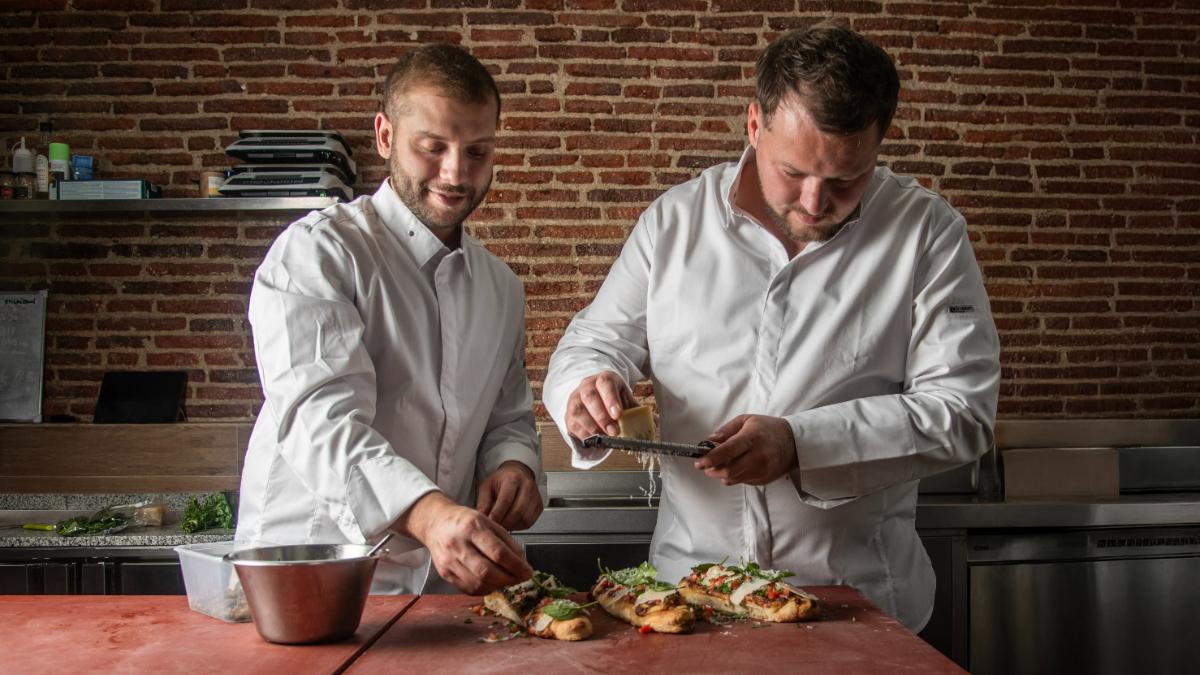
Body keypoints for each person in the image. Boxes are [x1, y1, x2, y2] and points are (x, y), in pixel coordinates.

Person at [542, 22, 1000, 631]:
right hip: (687, 600)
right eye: (793, 172)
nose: (815, 202)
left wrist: (801, 444)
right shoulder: (674, 223)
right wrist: (586, 384)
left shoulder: (927, 233)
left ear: (879, 143)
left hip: (857, 605)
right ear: (754, 124)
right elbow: (595, 340)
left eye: (845, 180)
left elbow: (963, 413)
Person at [236, 44, 542, 596]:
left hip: (437, 590)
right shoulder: (318, 254)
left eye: (477, 151)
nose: (455, 173)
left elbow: (507, 417)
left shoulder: (501, 287)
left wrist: (513, 466)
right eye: (433, 147)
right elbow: (324, 423)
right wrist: (429, 517)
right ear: (385, 137)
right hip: (310, 580)